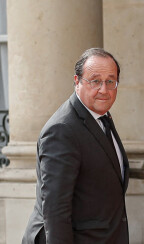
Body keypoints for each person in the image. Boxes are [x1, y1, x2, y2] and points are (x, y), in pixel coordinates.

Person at [22, 48, 129, 244]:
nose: (104, 90)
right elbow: (55, 209)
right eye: (95, 81)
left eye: (110, 81)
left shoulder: (101, 117)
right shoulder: (62, 130)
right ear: (77, 81)